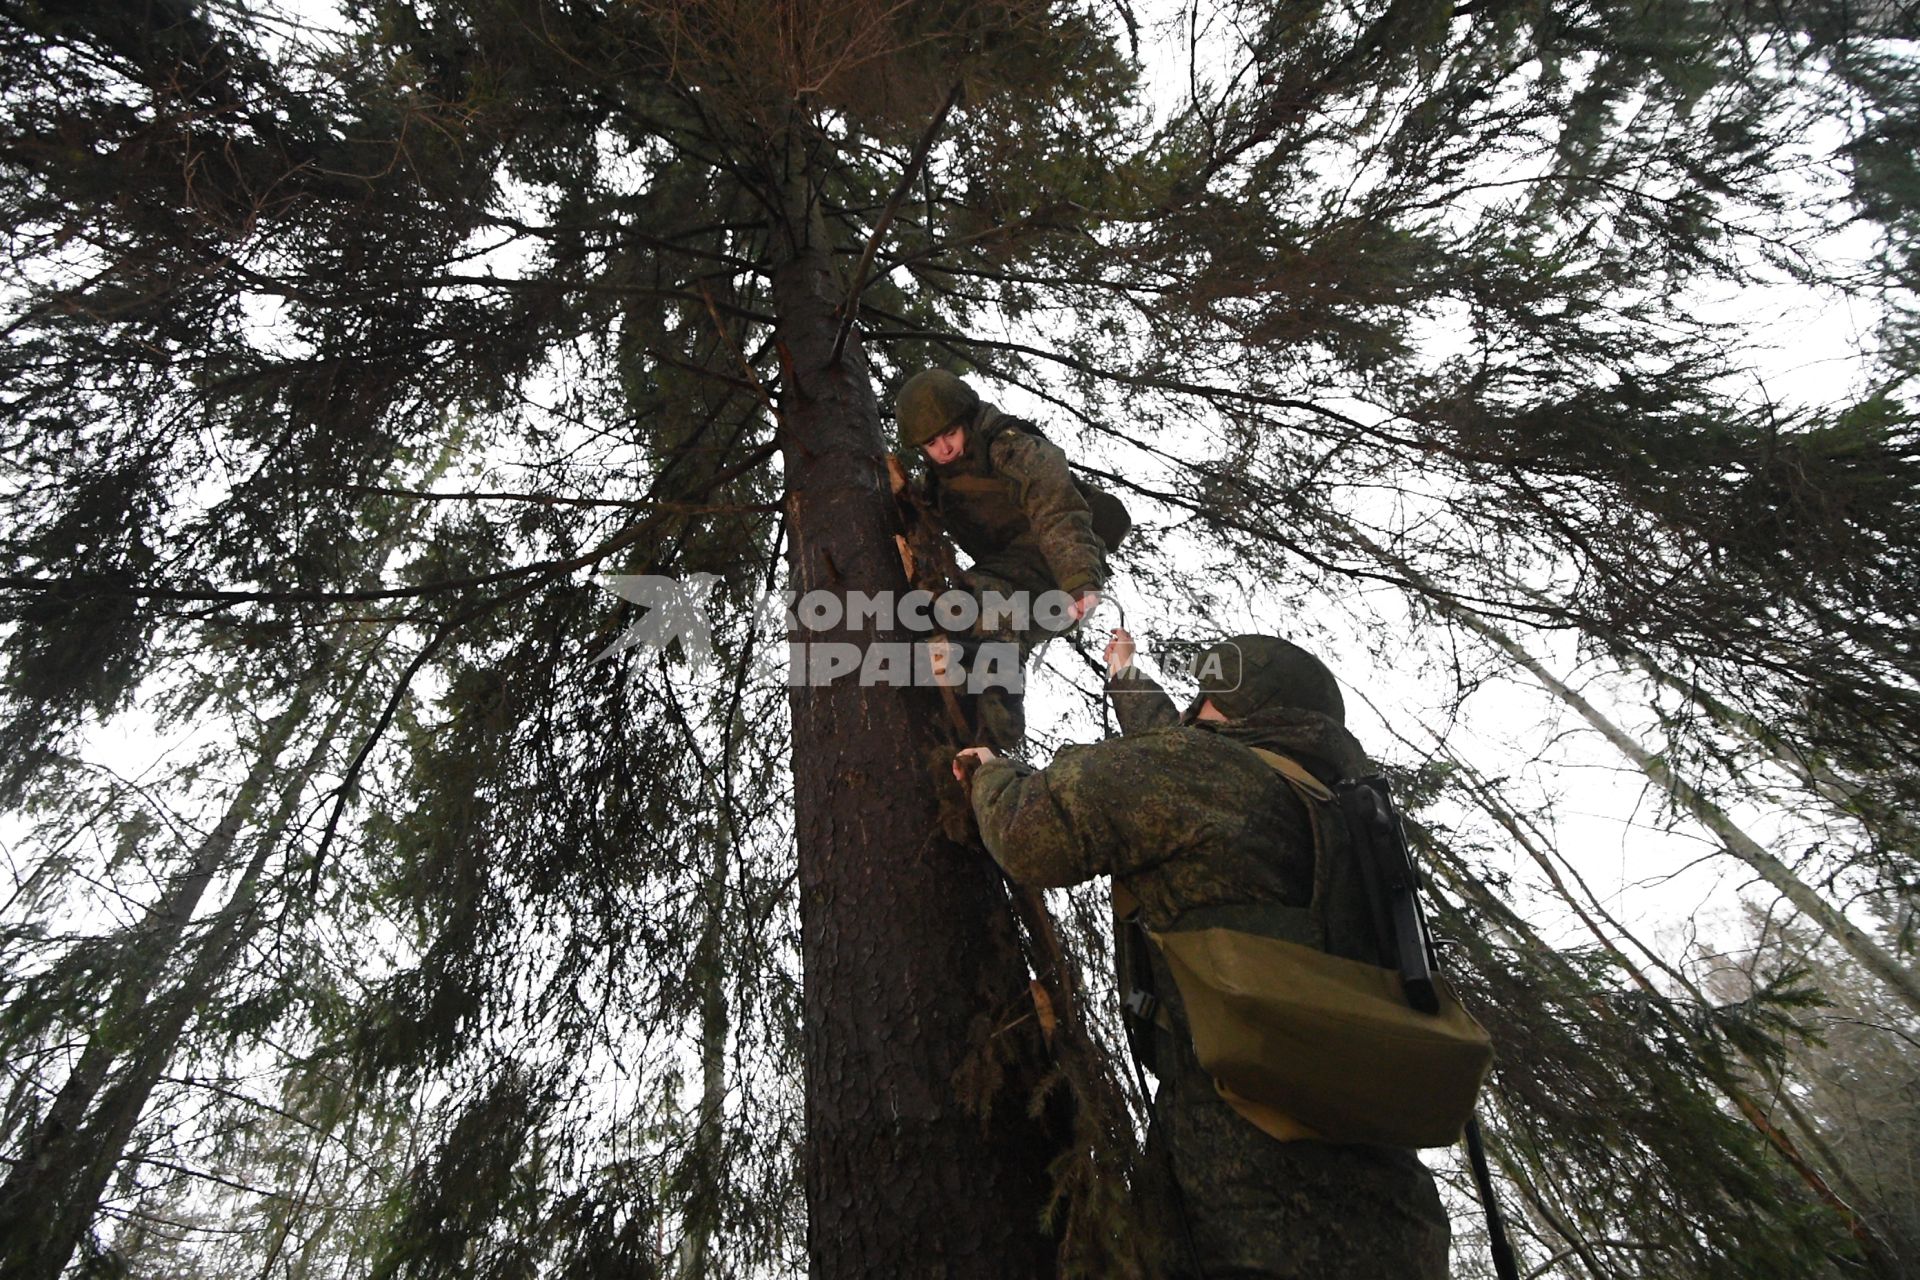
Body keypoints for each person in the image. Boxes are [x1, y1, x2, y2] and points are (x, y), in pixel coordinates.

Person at [953, 628, 1451, 1280]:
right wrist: (1124, 673)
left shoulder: (1199, 769)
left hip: (1247, 1207)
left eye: (1206, 699)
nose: (1191, 712)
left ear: (1236, 706)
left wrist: (993, 774)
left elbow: (1034, 833)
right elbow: (1171, 748)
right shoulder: (1330, 808)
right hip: (1397, 1220)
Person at [892, 369, 1109, 748]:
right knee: (969, 607)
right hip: (1010, 572)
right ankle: (976, 708)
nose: (943, 449)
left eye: (950, 435)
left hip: (1058, 566)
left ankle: (999, 720)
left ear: (966, 421)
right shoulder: (941, 482)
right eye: (931, 443)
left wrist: (1079, 579)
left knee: (988, 598)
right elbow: (925, 524)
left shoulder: (1011, 448)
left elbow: (1056, 509)